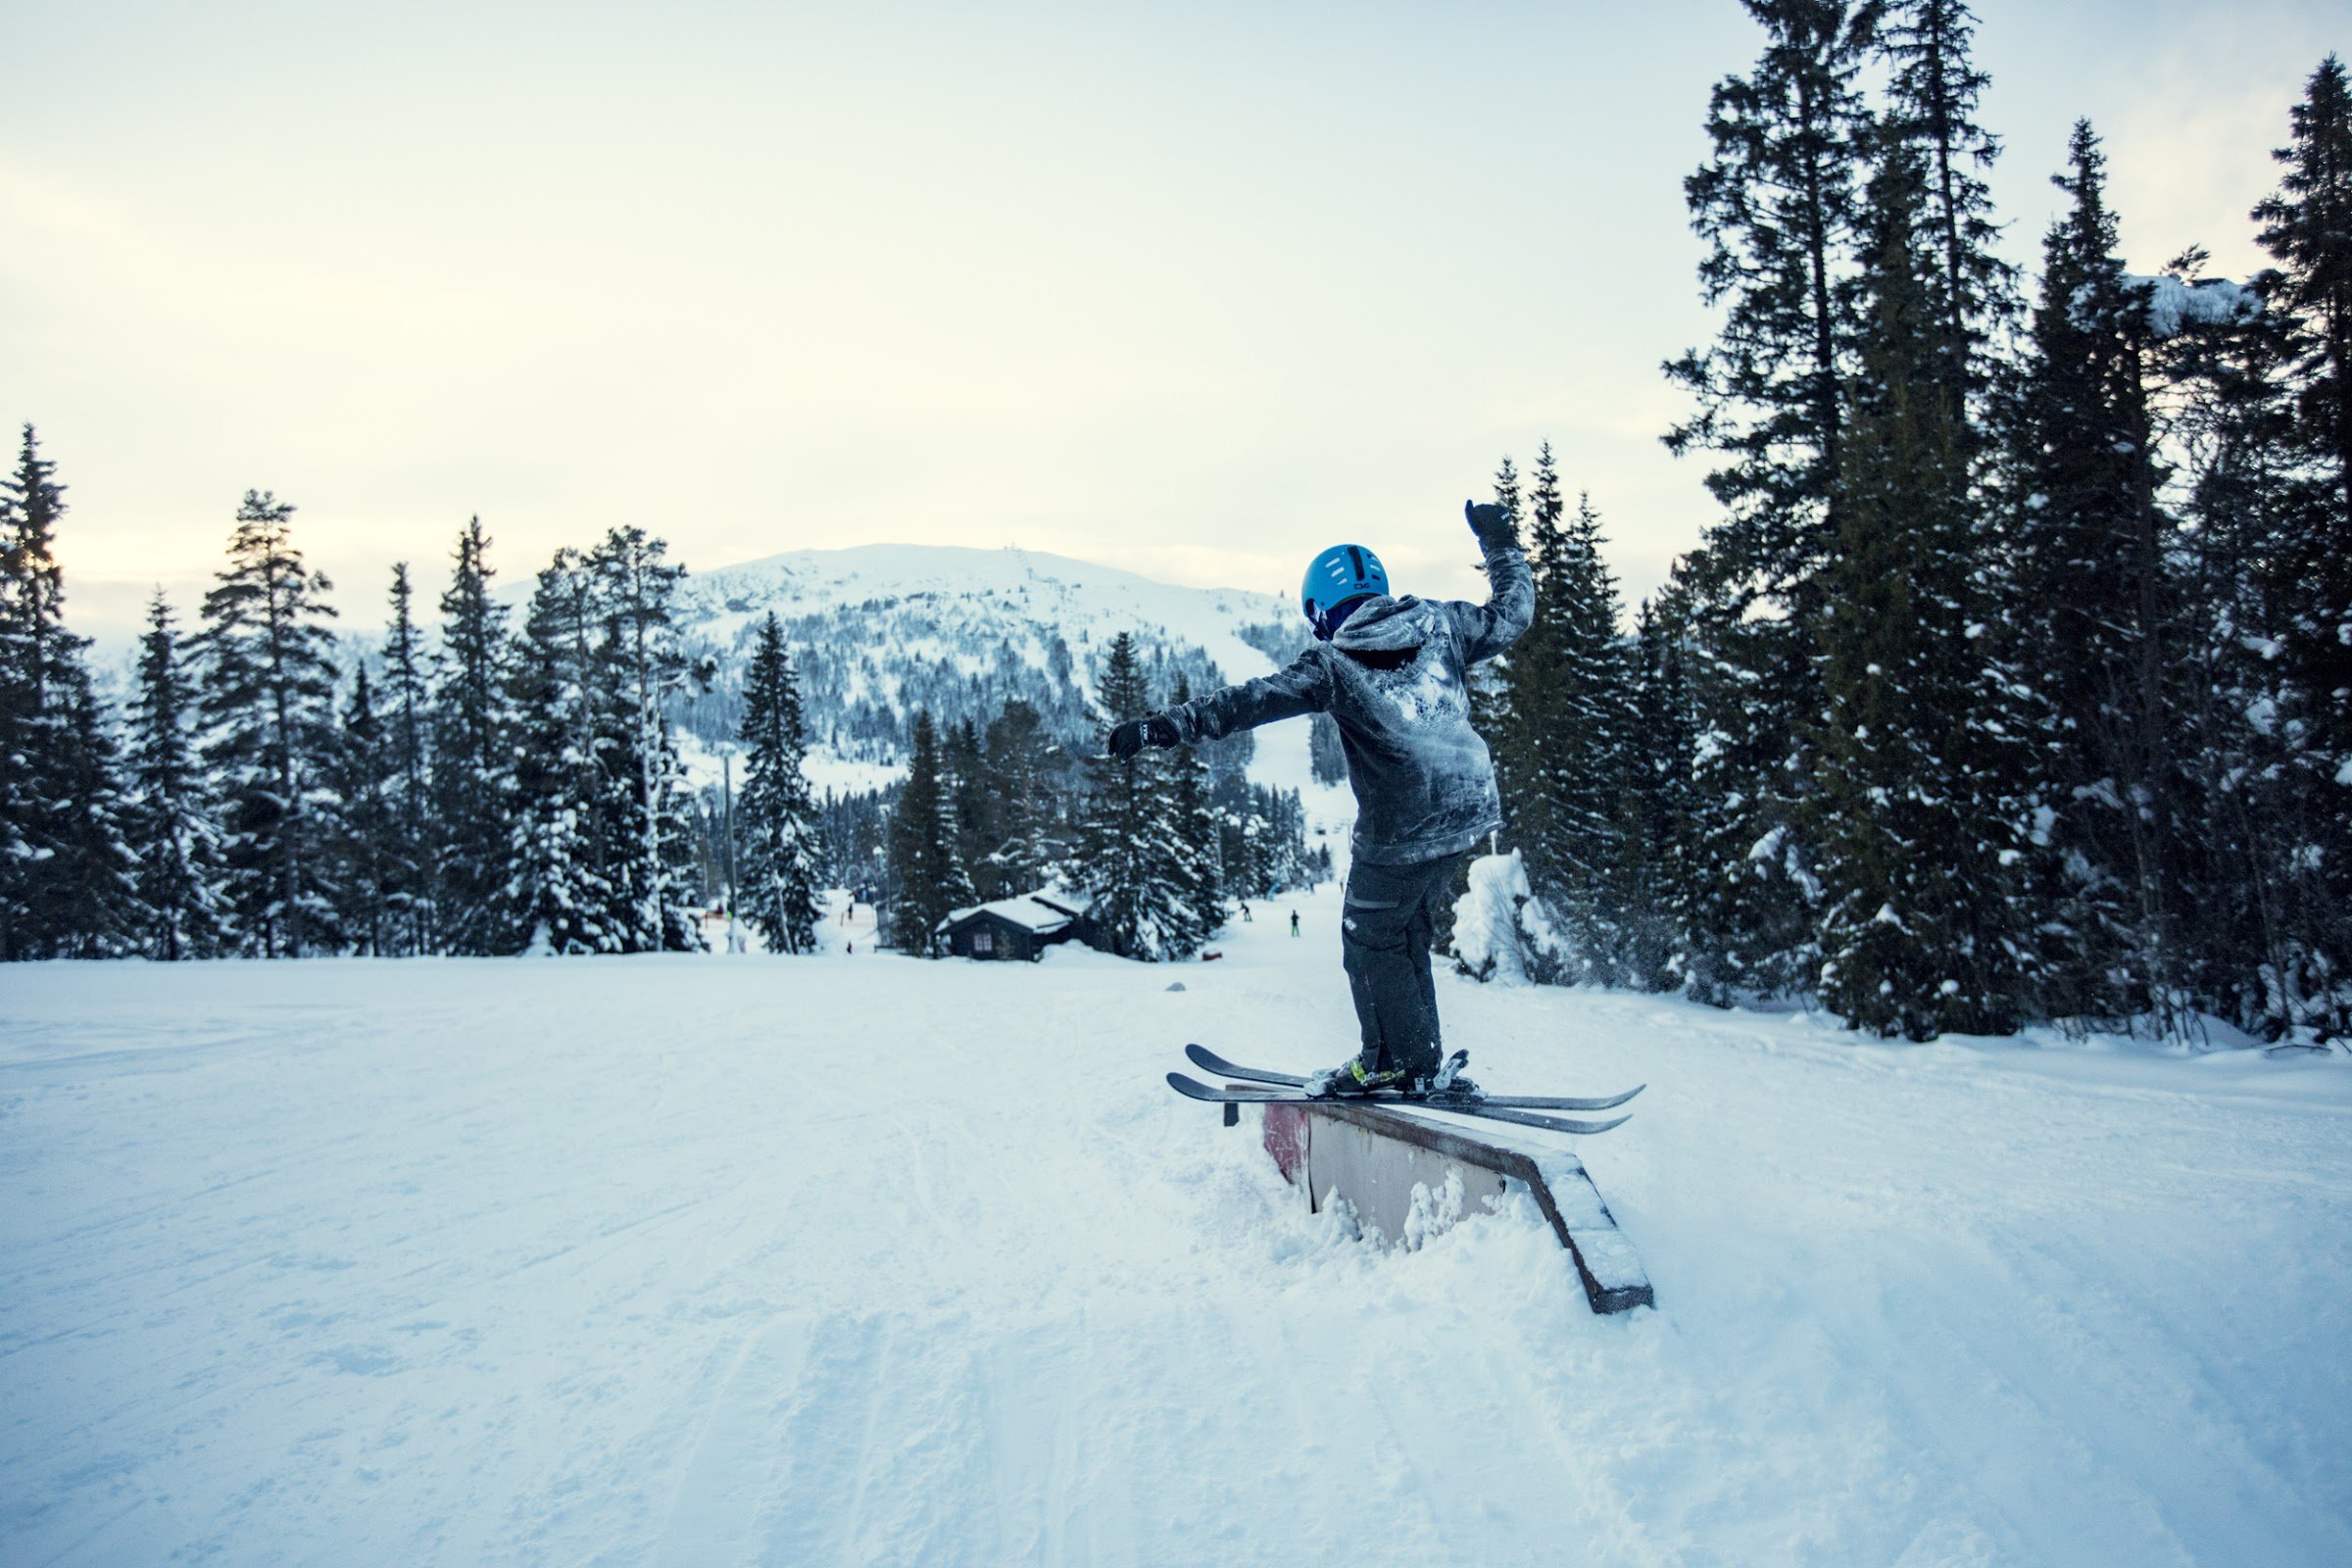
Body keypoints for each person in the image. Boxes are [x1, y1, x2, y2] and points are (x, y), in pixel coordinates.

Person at [1110, 500, 1531, 1095]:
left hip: (1401, 827)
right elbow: (1512, 616)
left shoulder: (1334, 661)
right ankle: (1417, 1059)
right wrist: (1500, 545)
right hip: (1469, 810)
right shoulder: (1442, 623)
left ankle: (1392, 1060)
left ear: (1319, 611)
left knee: (1369, 936)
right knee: (1402, 931)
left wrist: (1167, 725)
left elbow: (1253, 700)